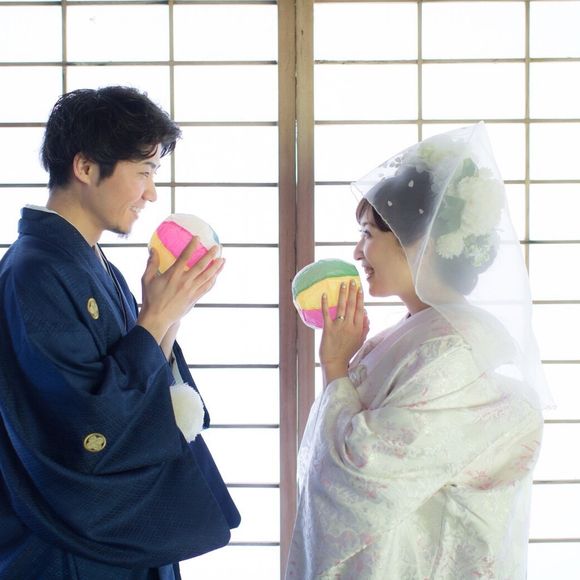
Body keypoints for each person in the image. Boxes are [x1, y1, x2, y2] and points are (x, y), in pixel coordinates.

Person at [286, 123, 552, 579]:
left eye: (369, 233)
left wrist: (334, 365)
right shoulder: (414, 333)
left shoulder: (454, 351)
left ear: (419, 241)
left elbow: (362, 470)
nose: (357, 251)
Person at [0, 86, 240, 580]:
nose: (151, 194)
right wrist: (152, 321)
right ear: (86, 167)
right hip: (65, 549)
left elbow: (142, 379)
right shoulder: (34, 272)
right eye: (144, 172)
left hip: (102, 545)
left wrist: (169, 314)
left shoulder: (88, 260)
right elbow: (86, 425)